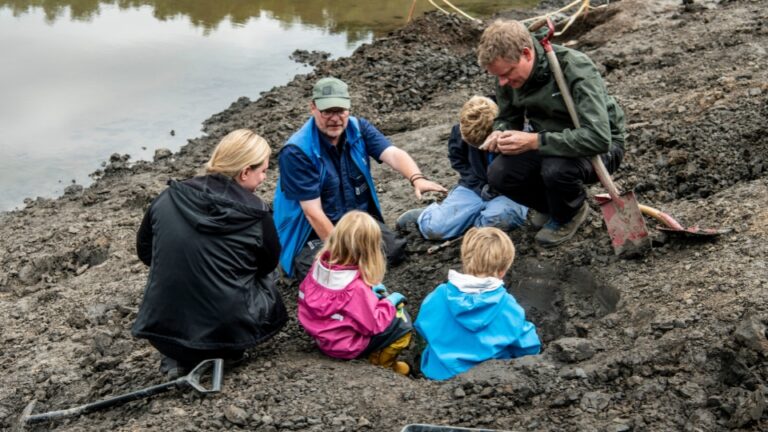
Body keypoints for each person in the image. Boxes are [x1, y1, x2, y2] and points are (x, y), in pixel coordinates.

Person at [133, 129, 287, 378]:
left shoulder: (169, 196)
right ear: (245, 171)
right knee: (270, 276)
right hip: (228, 337)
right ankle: (226, 356)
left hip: (163, 334)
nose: (263, 179)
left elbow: (145, 253)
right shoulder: (257, 214)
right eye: (264, 171)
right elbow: (267, 265)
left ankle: (178, 357)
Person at [273, 76, 447, 281]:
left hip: (356, 222)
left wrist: (416, 178)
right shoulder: (297, 151)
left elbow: (392, 153)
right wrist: (344, 254)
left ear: (349, 108)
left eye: (340, 111)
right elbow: (313, 214)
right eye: (327, 111)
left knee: (393, 251)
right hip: (311, 234)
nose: (335, 118)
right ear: (313, 108)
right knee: (330, 271)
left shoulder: (359, 129)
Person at [477, 19, 626, 247]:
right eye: (497, 76)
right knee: (499, 173)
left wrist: (535, 141)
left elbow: (599, 138)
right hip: (548, 142)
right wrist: (501, 131)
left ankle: (570, 212)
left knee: (556, 170)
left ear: (527, 54)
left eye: (507, 73)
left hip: (600, 148)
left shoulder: (575, 68)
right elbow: (508, 118)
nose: (503, 82)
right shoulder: (506, 75)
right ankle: (552, 207)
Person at [415, 227, 541, 380]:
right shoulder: (507, 306)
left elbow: (422, 329)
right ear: (503, 270)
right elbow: (528, 347)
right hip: (488, 381)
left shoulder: (438, 296)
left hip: (438, 376)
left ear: (464, 259)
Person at [395, 96, 528, 239]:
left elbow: (529, 173)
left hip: (509, 193)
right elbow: (458, 159)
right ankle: (433, 216)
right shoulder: (463, 130)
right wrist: (477, 183)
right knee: (435, 228)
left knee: (499, 222)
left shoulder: (517, 134)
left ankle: (470, 226)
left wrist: (506, 187)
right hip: (474, 187)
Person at [297, 211, 412, 376]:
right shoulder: (356, 288)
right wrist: (390, 302)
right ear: (370, 250)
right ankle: (383, 365)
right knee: (403, 323)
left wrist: (370, 292)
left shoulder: (319, 264)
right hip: (347, 345)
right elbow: (374, 324)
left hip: (322, 335)